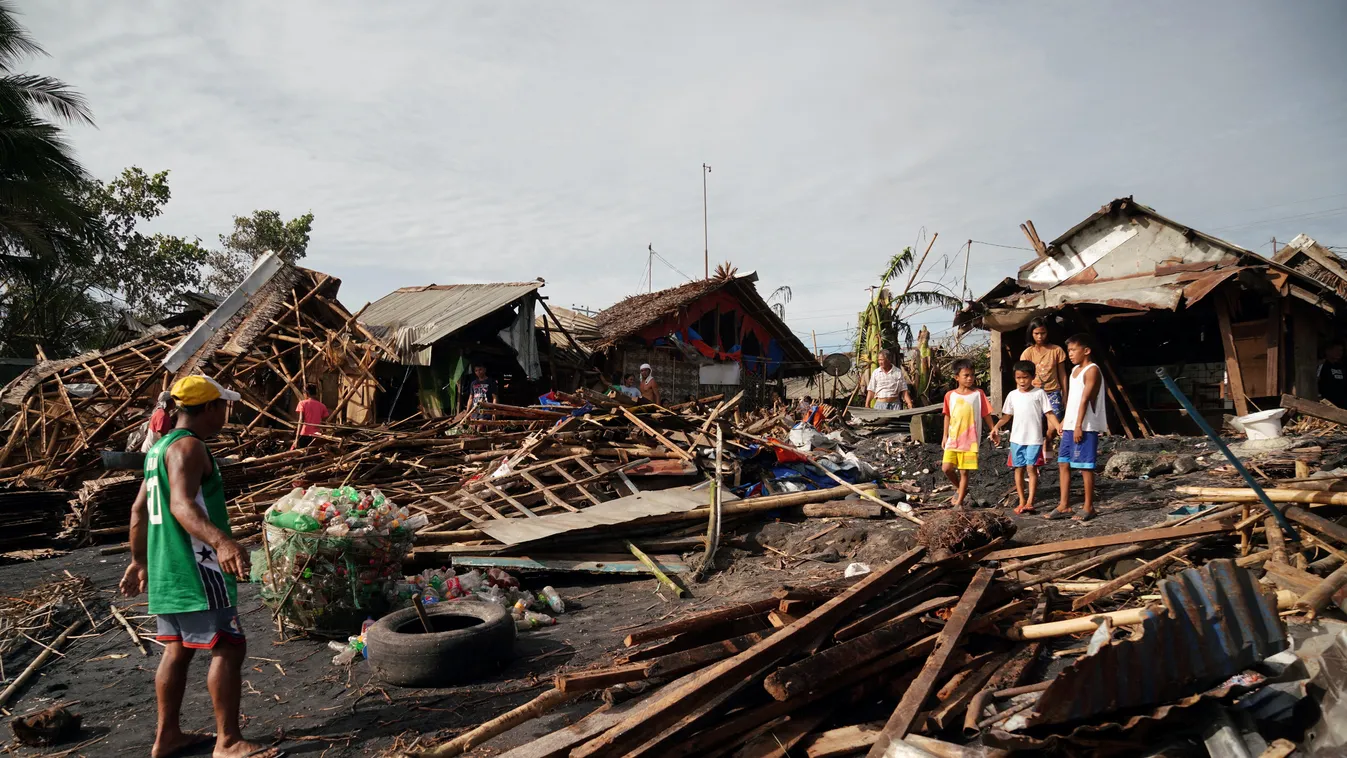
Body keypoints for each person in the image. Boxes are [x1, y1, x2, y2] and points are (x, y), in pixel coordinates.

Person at [119, 376, 283, 758]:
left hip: (165, 569)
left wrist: (139, 561)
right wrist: (223, 542)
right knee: (228, 645)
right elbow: (181, 505)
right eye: (223, 406)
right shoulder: (190, 448)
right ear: (209, 408)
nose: (226, 413)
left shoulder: (158, 449)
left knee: (176, 649)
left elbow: (138, 510)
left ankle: (168, 736)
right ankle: (227, 742)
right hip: (197, 565)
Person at [1046, 334, 1107, 523]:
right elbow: (1073, 400)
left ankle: (1089, 506)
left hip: (1085, 425)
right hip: (1072, 424)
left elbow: (1085, 399)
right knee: (1063, 463)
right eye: (1069, 350)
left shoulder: (1092, 370)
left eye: (1073, 350)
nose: (1070, 354)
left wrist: (1079, 425)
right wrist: (1065, 420)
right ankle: (1064, 504)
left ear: (1086, 350)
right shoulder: (1074, 371)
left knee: (1085, 467)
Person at [990, 360, 1061, 514]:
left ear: (1033, 377)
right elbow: (1006, 416)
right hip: (1016, 439)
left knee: (1031, 468)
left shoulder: (1039, 393)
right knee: (1019, 468)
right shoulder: (1012, 395)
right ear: (1015, 378)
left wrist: (1058, 426)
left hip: (1034, 439)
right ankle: (1022, 499)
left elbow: (1049, 413)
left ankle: (1030, 501)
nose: (1022, 381)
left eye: (1025, 377)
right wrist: (996, 427)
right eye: (1019, 378)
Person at [941, 359, 995, 508]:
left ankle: (959, 503)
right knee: (946, 468)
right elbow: (947, 415)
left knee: (964, 472)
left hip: (970, 440)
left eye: (972, 375)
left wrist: (993, 429)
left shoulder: (978, 394)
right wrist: (945, 435)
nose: (970, 378)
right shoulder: (950, 395)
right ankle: (960, 489)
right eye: (966, 375)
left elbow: (986, 414)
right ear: (956, 377)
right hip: (953, 438)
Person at [1020, 319, 1068, 449]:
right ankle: (1040, 455)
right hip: (1034, 394)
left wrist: (1065, 394)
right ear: (1031, 334)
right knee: (1035, 426)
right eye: (1036, 333)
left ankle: (1047, 441)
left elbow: (1062, 374)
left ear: (1048, 333)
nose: (1040, 336)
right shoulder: (1027, 353)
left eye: (1043, 333)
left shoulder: (1056, 351)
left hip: (1053, 392)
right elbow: (1021, 376)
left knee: (1053, 427)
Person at [294, 384, 329, 449]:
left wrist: (296, 438)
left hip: (304, 434)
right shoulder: (322, 406)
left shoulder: (302, 403)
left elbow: (301, 420)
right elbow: (324, 423)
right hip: (316, 436)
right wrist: (323, 436)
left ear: (306, 393)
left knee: (302, 456)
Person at [1319, 342, 1347, 408]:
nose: (1339, 352)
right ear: (1327, 351)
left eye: (1341, 350)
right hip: (1327, 403)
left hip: (1343, 403)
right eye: (1336, 350)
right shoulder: (1322, 365)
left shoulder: (1342, 366)